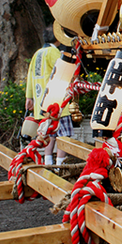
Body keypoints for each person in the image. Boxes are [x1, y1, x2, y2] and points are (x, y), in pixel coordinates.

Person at [25, 26, 73, 165]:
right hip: (57, 102)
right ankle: (60, 163)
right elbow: (63, 69)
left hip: (42, 101)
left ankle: (48, 161)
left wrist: (29, 97)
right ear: (57, 38)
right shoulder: (53, 52)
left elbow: (30, 75)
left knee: (49, 133)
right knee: (64, 134)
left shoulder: (37, 53)